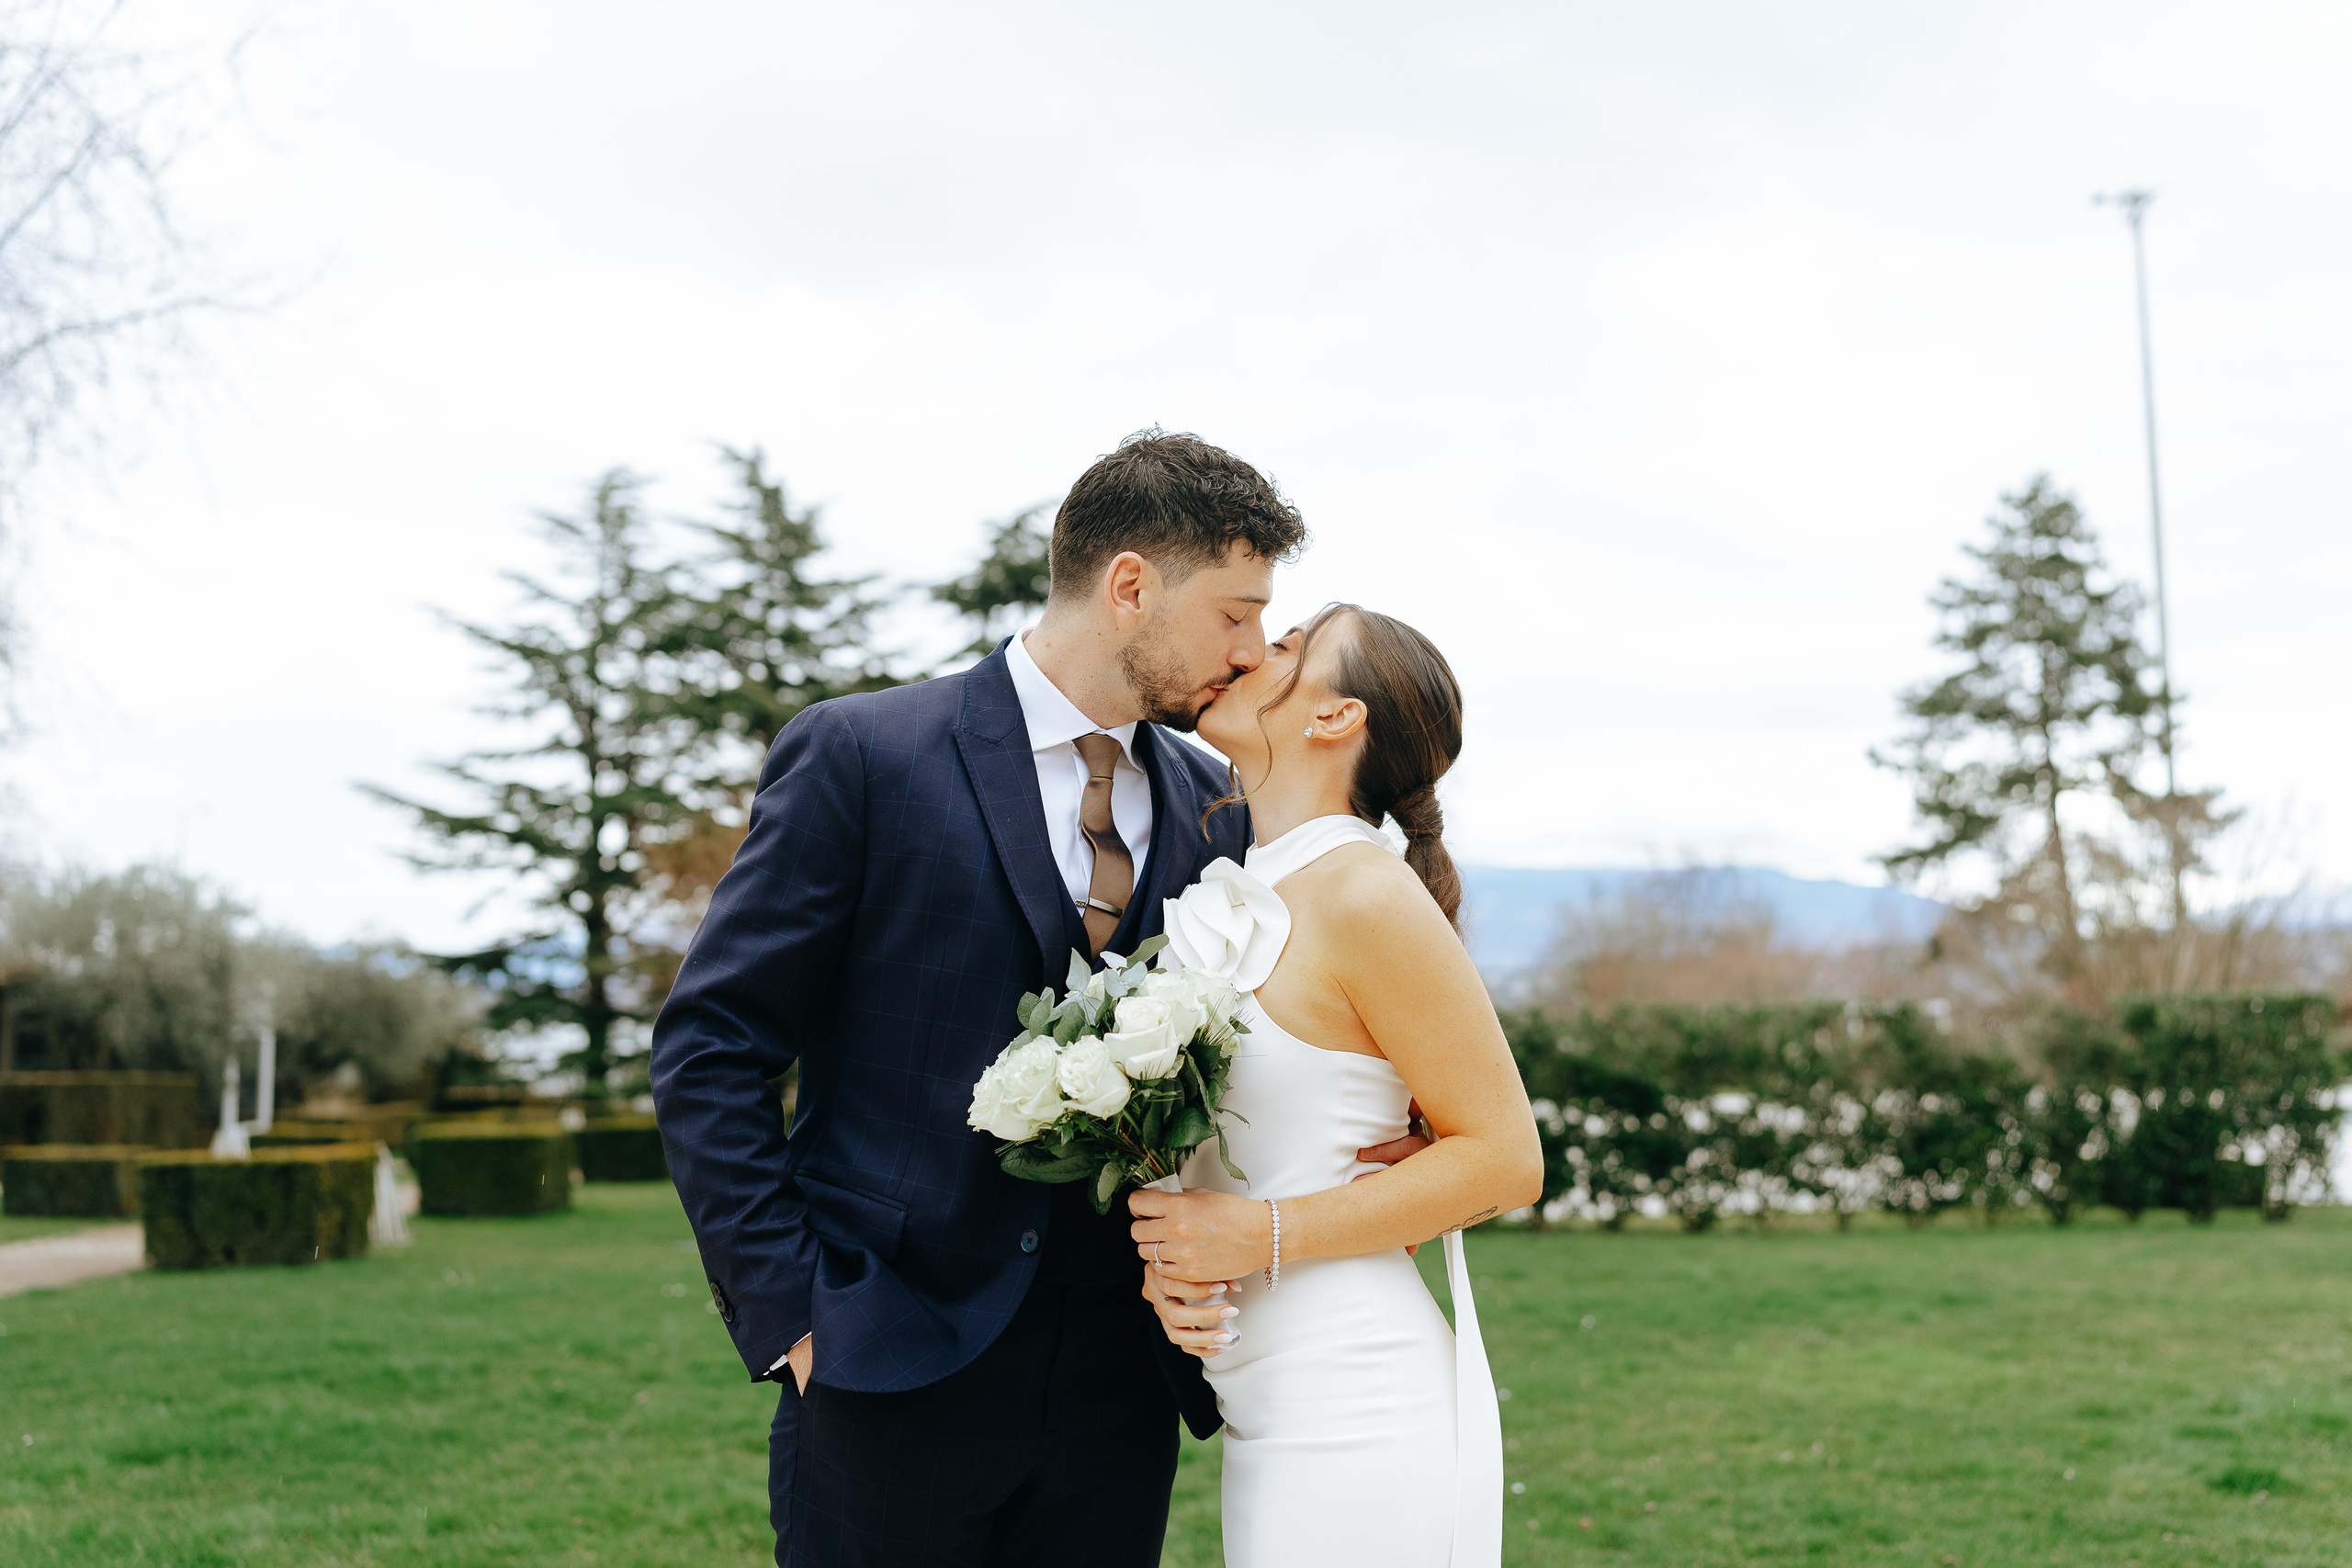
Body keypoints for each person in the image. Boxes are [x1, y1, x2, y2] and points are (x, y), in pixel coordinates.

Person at [650, 431, 1422, 1567]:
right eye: (1234, 612)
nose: (1254, 649)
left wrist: (1387, 1109)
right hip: (882, 1363)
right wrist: (797, 1316)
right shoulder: (866, 755)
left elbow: (1299, 1001)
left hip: (1124, 1387)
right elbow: (711, 1046)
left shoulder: (1221, 802)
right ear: (1128, 588)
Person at [1128, 604, 1544, 1568]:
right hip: (1260, 1395)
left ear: (1332, 718)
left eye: (1284, 647)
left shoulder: (1361, 892)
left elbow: (1505, 1158)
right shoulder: (1257, 884)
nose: (1245, 652)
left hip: (1355, 1400)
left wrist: (1257, 1234)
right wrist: (1178, 1256)